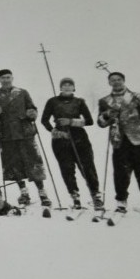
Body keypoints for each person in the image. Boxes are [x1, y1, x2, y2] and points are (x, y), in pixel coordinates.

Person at [97, 71, 140, 215]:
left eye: (119, 79)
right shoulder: (105, 101)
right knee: (121, 174)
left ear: (124, 81)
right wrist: (106, 115)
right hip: (119, 141)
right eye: (113, 80)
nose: (116, 82)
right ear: (109, 83)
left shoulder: (136, 96)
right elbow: (100, 123)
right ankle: (121, 204)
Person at [0, 69, 50, 207]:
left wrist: (32, 113)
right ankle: (24, 192)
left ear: (12, 78)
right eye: (3, 78)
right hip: (7, 134)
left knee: (32, 161)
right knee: (14, 164)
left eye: (8, 77)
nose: (6, 80)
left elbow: (32, 107)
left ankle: (42, 192)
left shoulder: (22, 92)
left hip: (24, 132)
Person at [41, 77, 103, 210]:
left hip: (79, 138)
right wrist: (54, 131)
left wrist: (71, 121)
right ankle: (75, 196)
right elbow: (44, 120)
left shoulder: (79, 102)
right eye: (64, 85)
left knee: (87, 167)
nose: (67, 87)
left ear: (74, 88)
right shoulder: (52, 102)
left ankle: (96, 195)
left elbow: (89, 120)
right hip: (61, 139)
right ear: (60, 87)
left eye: (70, 85)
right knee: (67, 168)